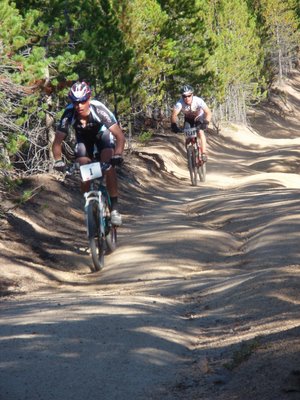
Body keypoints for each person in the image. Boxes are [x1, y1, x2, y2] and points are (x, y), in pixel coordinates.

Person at [52, 81, 125, 226]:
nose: (79, 105)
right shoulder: (69, 113)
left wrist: (118, 155)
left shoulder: (99, 110)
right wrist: (58, 160)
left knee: (108, 165)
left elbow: (120, 137)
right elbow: (57, 141)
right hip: (84, 139)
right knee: (84, 170)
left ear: (89, 99)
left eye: (82, 101)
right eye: (75, 102)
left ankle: (115, 209)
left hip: (102, 136)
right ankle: (90, 207)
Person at [171, 84, 212, 161]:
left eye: (189, 95)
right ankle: (189, 156)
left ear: (192, 95)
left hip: (199, 118)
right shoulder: (179, 103)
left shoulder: (198, 101)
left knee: (200, 132)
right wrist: (173, 125)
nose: (187, 98)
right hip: (188, 119)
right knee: (187, 137)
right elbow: (174, 115)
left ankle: (203, 153)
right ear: (182, 96)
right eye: (184, 96)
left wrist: (206, 122)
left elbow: (208, 112)